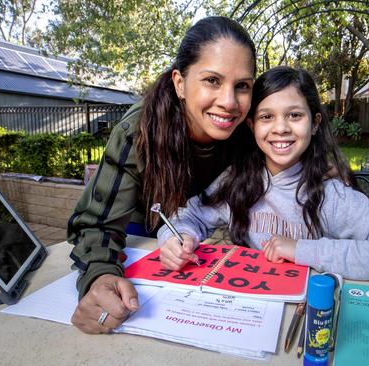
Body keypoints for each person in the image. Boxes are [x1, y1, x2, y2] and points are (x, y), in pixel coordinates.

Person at [67, 16, 257, 334]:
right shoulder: (137, 131)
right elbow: (95, 224)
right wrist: (100, 274)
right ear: (180, 83)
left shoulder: (250, 127)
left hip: (207, 253)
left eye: (242, 86)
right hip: (143, 235)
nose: (229, 102)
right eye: (212, 80)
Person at [157, 66, 369, 282]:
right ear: (251, 126)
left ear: (315, 123)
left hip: (311, 314)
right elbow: (189, 216)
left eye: (295, 115)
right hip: (253, 307)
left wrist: (301, 250)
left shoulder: (330, 194)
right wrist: (176, 238)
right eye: (267, 117)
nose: (281, 128)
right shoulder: (237, 180)